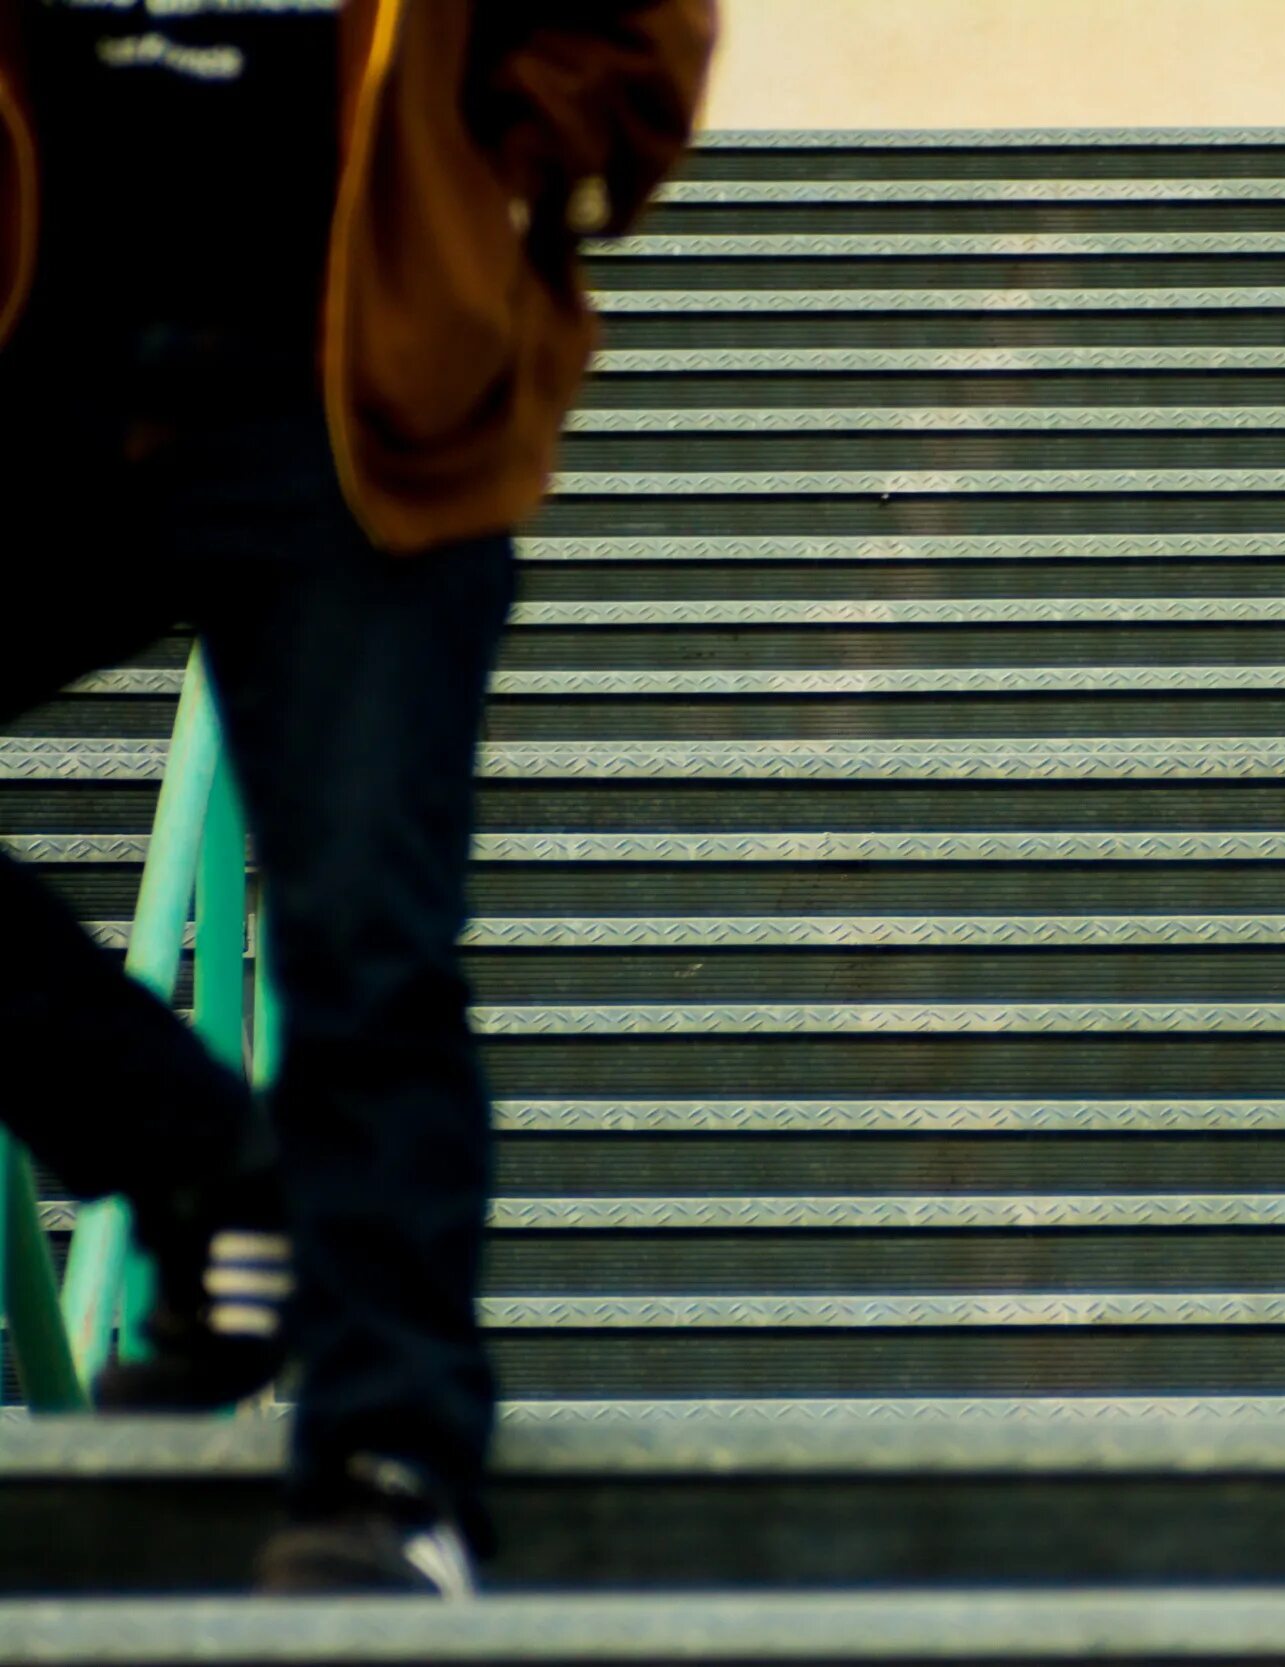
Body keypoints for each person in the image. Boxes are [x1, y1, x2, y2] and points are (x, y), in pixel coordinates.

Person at [0, 0, 713, 1594]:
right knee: (353, 932)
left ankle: (394, 1465)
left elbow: (636, 36)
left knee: (361, 931)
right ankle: (204, 1165)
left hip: (345, 381)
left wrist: (513, 188)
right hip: (46, 347)